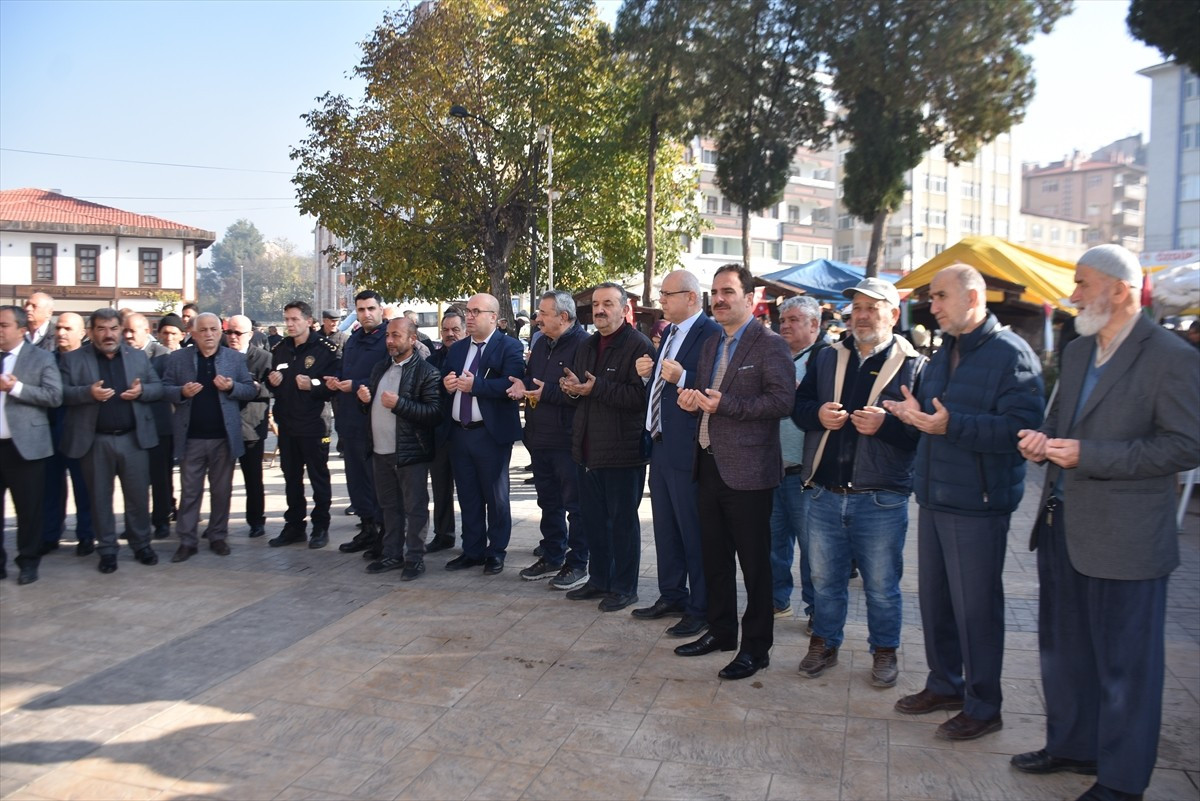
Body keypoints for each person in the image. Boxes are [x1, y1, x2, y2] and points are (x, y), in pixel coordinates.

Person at [1013, 245, 1200, 801]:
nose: (1071, 294)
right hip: (1061, 527)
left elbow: (1184, 446)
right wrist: (1042, 444)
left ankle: (1121, 781)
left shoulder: (1170, 355)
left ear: (1120, 289)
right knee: (1063, 650)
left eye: (1081, 283)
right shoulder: (1075, 352)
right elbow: (1062, 422)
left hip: (1128, 540)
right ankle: (1071, 744)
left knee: (1127, 669)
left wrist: (1088, 456)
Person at [883, 264, 1043, 741]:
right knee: (936, 603)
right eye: (931, 298)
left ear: (973, 299)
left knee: (976, 610)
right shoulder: (945, 351)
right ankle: (945, 684)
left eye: (939, 297)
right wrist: (913, 415)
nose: (931, 307)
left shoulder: (1012, 355)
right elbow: (935, 415)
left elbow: (1021, 431)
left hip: (979, 502)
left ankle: (983, 704)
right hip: (934, 496)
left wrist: (949, 426)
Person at [793, 277, 926, 686]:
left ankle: (884, 651)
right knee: (824, 580)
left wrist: (886, 426)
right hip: (825, 492)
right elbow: (799, 408)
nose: (862, 315)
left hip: (881, 496)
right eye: (858, 308)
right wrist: (817, 415)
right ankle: (824, 642)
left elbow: (920, 435)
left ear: (893, 314)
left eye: (872, 307)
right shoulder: (828, 357)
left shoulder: (915, 365)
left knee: (883, 586)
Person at [673, 264, 794, 680]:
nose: (719, 299)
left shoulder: (769, 344)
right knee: (715, 559)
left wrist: (724, 405)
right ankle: (721, 631)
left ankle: (756, 648)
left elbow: (781, 402)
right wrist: (691, 400)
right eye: (714, 292)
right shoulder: (712, 343)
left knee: (755, 566)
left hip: (750, 472)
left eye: (728, 291)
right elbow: (709, 397)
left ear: (751, 298)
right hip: (707, 463)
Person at [632, 270, 720, 637]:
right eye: (661, 294)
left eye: (668, 294)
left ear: (693, 298)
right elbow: (661, 385)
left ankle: (701, 607)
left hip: (689, 447)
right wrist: (645, 376)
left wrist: (682, 377)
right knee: (667, 528)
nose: (662, 300)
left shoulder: (710, 334)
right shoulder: (668, 332)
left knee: (692, 530)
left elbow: (716, 382)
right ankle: (672, 594)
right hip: (661, 443)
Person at [559, 283, 654, 611]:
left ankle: (625, 587)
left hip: (622, 453)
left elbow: (640, 399)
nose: (600, 310)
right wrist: (572, 389)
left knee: (622, 524)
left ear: (624, 308)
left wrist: (596, 388)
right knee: (594, 521)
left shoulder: (638, 345)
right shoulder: (587, 345)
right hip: (587, 450)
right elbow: (583, 395)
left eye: (608, 304)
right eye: (597, 304)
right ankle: (599, 580)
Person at [60, 308, 164, 573]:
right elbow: (60, 393)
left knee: (139, 496)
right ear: (91, 331)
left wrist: (142, 391)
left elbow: (158, 388)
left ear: (120, 329)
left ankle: (141, 544)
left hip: (133, 440)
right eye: (102, 329)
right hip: (94, 441)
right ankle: (107, 549)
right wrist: (88, 393)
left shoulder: (138, 356)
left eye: (113, 328)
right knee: (100, 499)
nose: (108, 334)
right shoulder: (73, 359)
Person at [507, 289, 590, 590]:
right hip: (539, 437)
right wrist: (522, 384)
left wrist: (549, 393)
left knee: (575, 505)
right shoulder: (541, 344)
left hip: (568, 440)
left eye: (543, 313)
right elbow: (535, 382)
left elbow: (582, 393)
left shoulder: (584, 345)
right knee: (548, 502)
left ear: (564, 317)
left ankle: (578, 561)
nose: (537, 318)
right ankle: (552, 554)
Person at [440, 293, 525, 574]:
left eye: (477, 311)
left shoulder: (509, 347)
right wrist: (449, 383)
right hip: (459, 432)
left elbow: (510, 385)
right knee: (468, 495)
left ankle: (496, 551)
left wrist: (475, 386)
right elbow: (446, 379)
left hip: (490, 434)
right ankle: (472, 550)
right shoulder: (458, 349)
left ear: (493, 317)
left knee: (495, 497)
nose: (470, 316)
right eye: (468, 311)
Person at [161, 313, 256, 562]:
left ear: (220, 331)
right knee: (190, 492)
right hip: (191, 437)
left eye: (214, 329)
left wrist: (231, 387)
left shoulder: (234, 358)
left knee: (221, 490)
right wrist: (181, 391)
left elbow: (249, 389)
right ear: (193, 333)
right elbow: (164, 388)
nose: (209, 334)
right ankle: (187, 540)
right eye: (203, 330)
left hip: (222, 438)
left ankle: (217, 535)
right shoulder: (178, 358)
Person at [358, 317, 442, 580]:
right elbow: (374, 408)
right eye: (387, 336)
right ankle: (391, 554)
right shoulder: (380, 368)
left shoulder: (427, 372)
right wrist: (365, 402)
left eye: (396, 336)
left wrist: (400, 404)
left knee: (415, 507)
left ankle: (414, 558)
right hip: (381, 451)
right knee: (389, 507)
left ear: (412, 339)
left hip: (410, 453)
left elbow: (433, 413)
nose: (390, 341)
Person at [769, 295, 826, 627]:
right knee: (774, 543)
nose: (785, 325)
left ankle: (817, 610)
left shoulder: (826, 359)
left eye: (794, 320)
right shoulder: (776, 356)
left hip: (807, 473)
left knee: (814, 550)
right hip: (773, 468)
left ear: (814, 324)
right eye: (783, 320)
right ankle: (778, 601)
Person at [267, 301, 340, 548]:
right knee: (291, 477)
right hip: (287, 424)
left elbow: (334, 384)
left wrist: (314, 385)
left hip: (314, 424)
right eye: (286, 319)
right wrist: (272, 382)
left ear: (308, 321)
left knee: (318, 476)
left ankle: (320, 526)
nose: (289, 324)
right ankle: (294, 526)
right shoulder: (280, 349)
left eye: (294, 319)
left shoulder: (325, 349)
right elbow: (269, 379)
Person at [0, 305, 63, 584]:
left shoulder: (41, 358)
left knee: (28, 510)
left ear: (22, 329)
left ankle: (28, 561)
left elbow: (54, 396)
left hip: (24, 447)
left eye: (4, 325)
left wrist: (16, 388)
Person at [329, 292, 388, 556]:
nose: (366, 314)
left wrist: (355, 384)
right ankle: (366, 527)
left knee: (378, 481)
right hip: (350, 420)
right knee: (356, 478)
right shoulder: (353, 339)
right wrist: (336, 380)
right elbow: (346, 370)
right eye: (361, 309)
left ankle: (384, 533)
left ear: (380, 310)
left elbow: (389, 375)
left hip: (376, 421)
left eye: (371, 308)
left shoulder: (389, 339)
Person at [42, 313, 94, 556]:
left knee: (84, 487)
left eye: (67, 328)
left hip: (81, 431)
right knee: (50, 487)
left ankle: (86, 534)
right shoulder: (45, 359)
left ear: (82, 332)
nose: (61, 333)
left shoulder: (91, 361)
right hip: (49, 431)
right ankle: (50, 533)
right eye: (58, 328)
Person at [125, 313, 174, 539]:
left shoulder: (163, 355)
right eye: (124, 330)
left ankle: (161, 520)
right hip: (130, 426)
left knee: (160, 478)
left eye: (132, 331)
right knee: (132, 480)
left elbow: (166, 388)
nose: (127, 335)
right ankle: (134, 523)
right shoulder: (119, 355)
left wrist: (142, 390)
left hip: (158, 426)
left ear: (147, 331)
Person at [226, 315, 272, 538]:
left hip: (251, 425)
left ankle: (256, 520)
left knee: (253, 478)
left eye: (238, 333)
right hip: (223, 425)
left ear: (250, 335)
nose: (232, 337)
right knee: (220, 479)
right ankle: (218, 521)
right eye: (229, 332)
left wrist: (255, 388)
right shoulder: (219, 355)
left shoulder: (263, 358)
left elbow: (272, 388)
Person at [424, 308, 466, 552]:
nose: (450, 334)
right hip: (440, 434)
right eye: (446, 330)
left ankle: (475, 538)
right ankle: (443, 534)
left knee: (470, 490)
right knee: (440, 489)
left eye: (455, 329)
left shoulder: (472, 357)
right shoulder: (432, 360)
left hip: (467, 433)